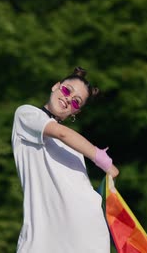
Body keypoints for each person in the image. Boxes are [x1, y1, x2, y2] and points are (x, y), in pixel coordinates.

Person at [11, 66, 119, 253]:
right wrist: (105, 162)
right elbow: (61, 133)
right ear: (56, 86)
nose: (68, 99)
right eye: (67, 90)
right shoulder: (27, 114)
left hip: (86, 235)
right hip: (43, 238)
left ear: (75, 113)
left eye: (76, 102)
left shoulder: (76, 149)